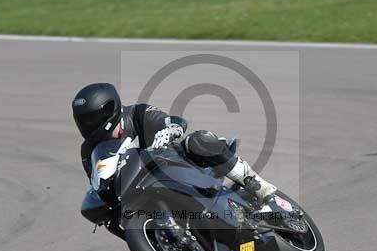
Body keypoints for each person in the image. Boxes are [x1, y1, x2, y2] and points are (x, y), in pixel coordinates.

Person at [72, 82, 277, 202]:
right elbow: (100, 186)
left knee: (199, 139)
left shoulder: (137, 114)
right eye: (84, 120)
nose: (90, 125)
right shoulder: (88, 151)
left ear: (110, 110)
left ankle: (255, 183)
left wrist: (170, 129)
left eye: (93, 118)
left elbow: (170, 122)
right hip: (147, 196)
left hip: (181, 169)